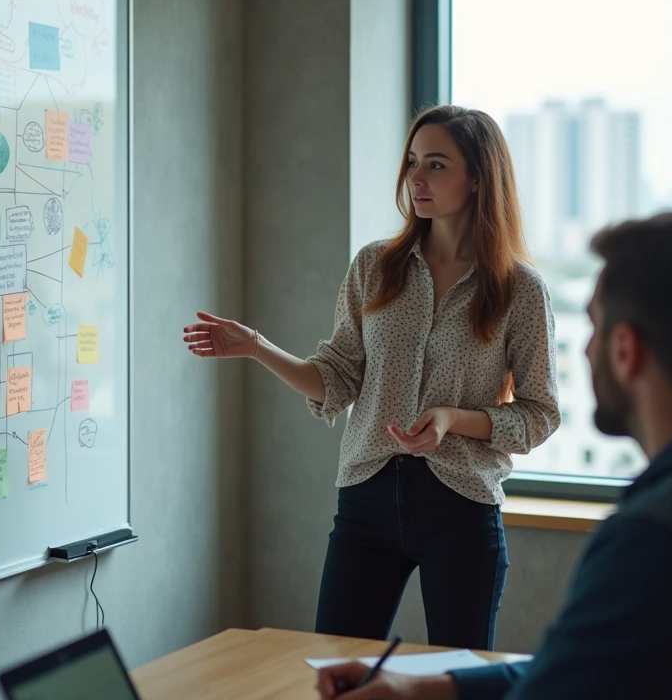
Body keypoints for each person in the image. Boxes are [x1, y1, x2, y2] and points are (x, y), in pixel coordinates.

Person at [315, 206, 672, 700]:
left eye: (594, 326)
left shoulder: (668, 535)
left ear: (626, 349)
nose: (585, 347)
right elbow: (577, 670)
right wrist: (423, 690)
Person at [184, 105, 560, 649]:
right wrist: (256, 348)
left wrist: (453, 420)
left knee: (456, 679)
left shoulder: (519, 290)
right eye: (412, 162)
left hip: (461, 506)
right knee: (336, 669)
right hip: (366, 500)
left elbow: (539, 414)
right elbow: (336, 379)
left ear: (478, 177)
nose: (415, 178)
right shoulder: (375, 267)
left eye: (436, 165)